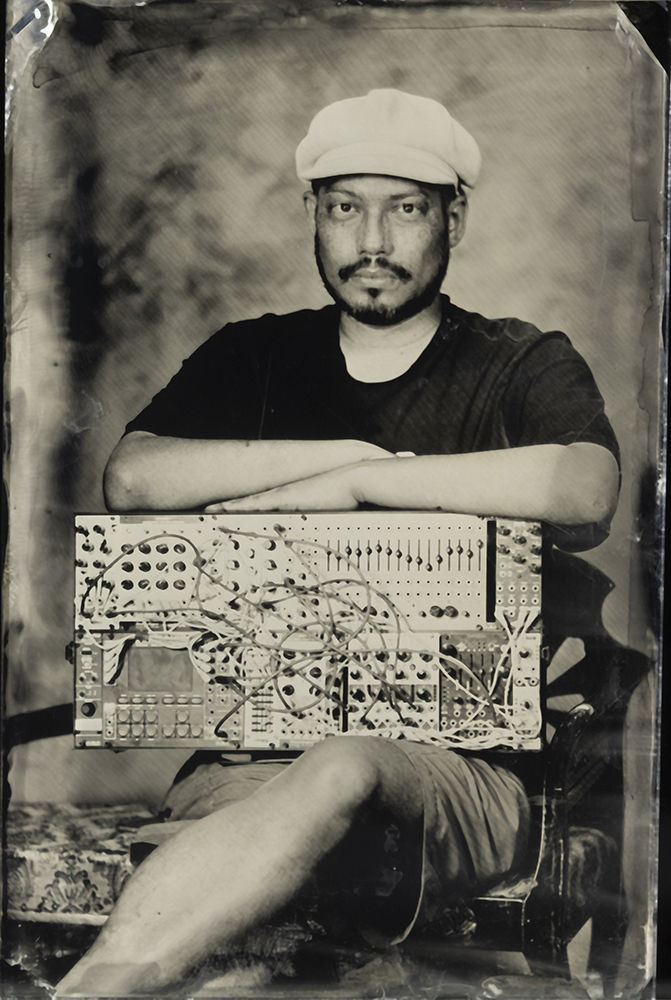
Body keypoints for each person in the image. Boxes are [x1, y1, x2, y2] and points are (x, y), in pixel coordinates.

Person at [56, 89, 620, 996]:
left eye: (406, 209)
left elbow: (582, 489)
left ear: (453, 219)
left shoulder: (518, 363)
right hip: (250, 764)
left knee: (341, 765)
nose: (372, 241)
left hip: (457, 778)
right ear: (312, 214)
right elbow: (133, 478)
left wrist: (363, 486)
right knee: (236, 953)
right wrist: (343, 454)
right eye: (344, 207)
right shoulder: (253, 358)